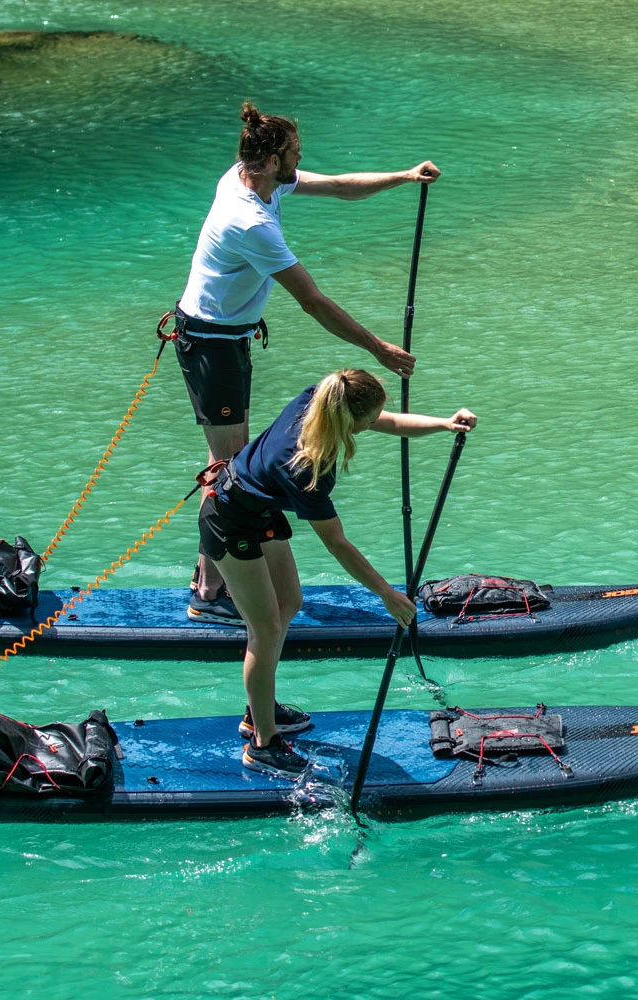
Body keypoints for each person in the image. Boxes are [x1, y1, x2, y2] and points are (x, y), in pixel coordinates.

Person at [176, 102, 441, 625]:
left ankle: (213, 578)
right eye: (296, 152)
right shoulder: (249, 221)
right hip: (211, 342)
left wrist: (405, 176)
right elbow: (313, 302)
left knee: (231, 460)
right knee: (227, 467)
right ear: (273, 158)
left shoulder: (256, 179)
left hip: (229, 338)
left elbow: (340, 187)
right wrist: (378, 349)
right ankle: (208, 591)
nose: (302, 158)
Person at [197, 368, 477, 777]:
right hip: (228, 520)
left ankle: (259, 708)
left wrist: (444, 423)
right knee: (265, 629)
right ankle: (263, 745)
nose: (374, 423)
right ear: (350, 419)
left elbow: (389, 421)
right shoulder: (307, 468)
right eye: (369, 419)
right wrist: (387, 594)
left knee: (290, 602)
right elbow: (337, 544)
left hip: (257, 510)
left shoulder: (321, 400)